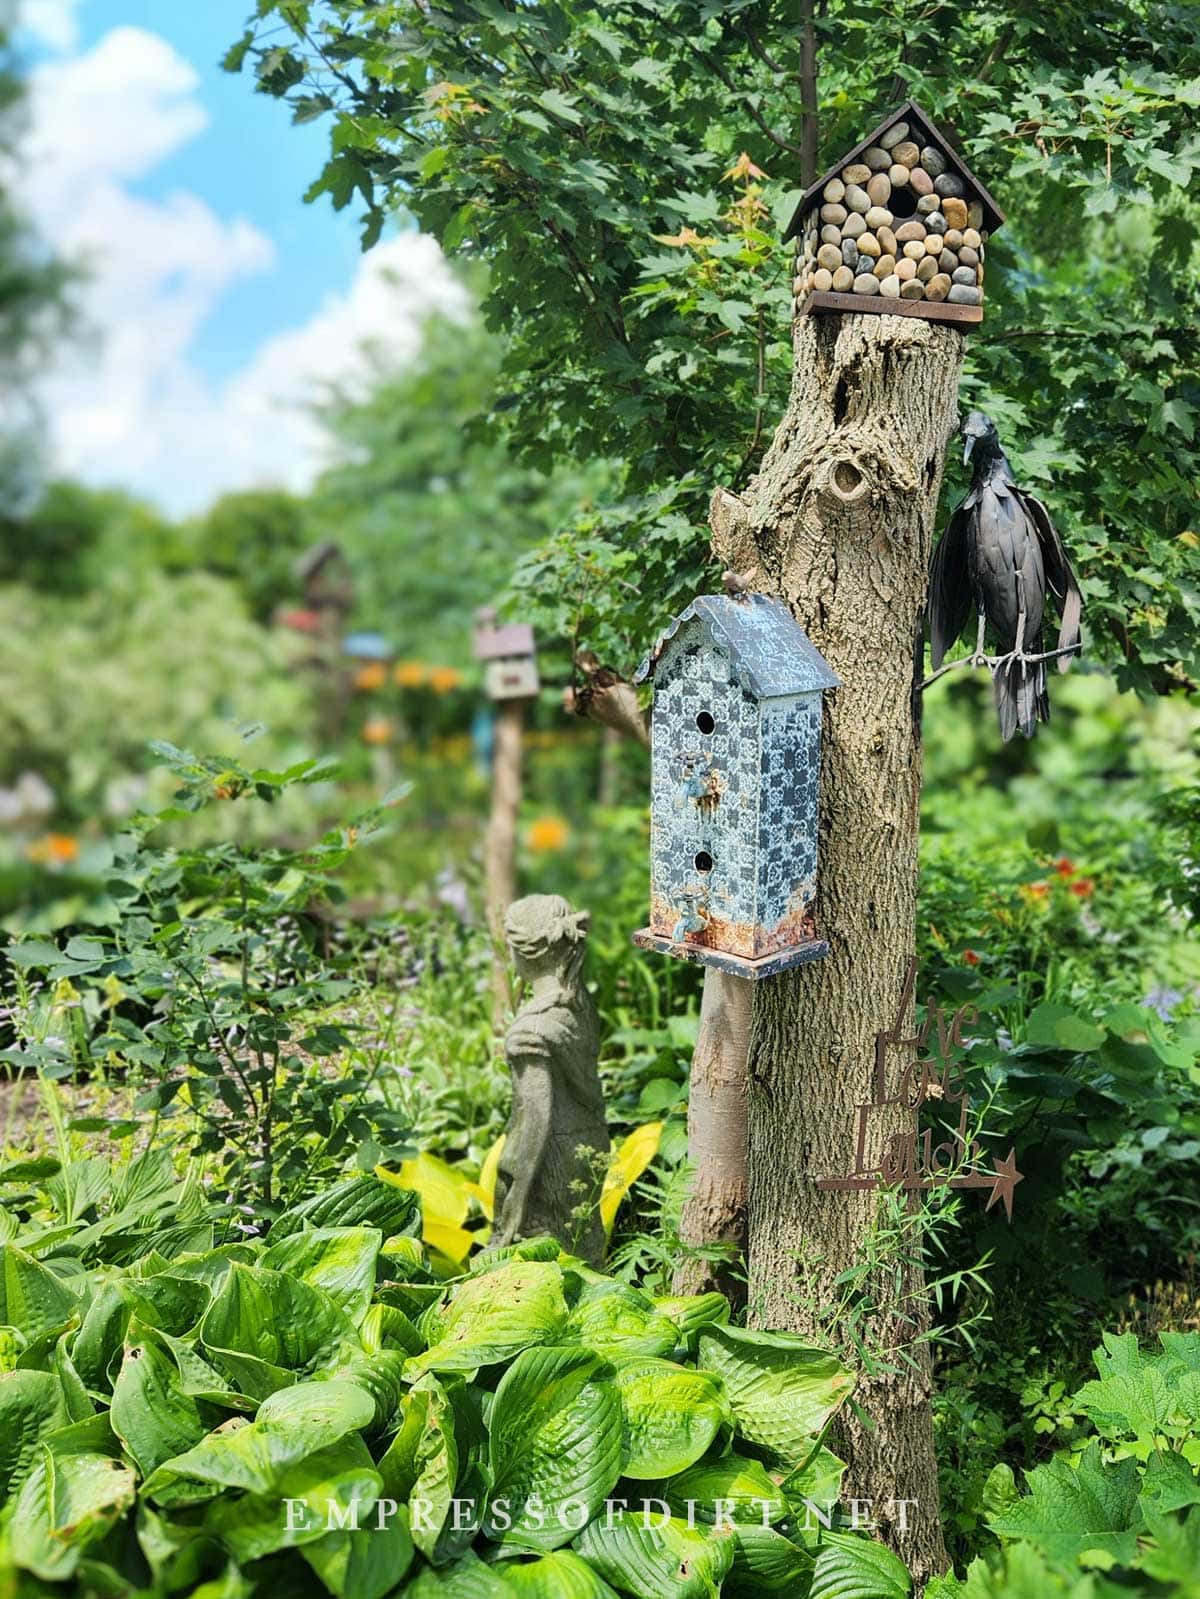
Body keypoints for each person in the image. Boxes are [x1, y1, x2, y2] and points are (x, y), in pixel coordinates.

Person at [491, 894, 609, 1264]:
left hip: (552, 1157)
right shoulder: (576, 1002)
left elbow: (533, 1123)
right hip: (589, 1143)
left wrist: (509, 1208)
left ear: (522, 953)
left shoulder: (532, 1033)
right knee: (584, 1244)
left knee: (547, 1261)